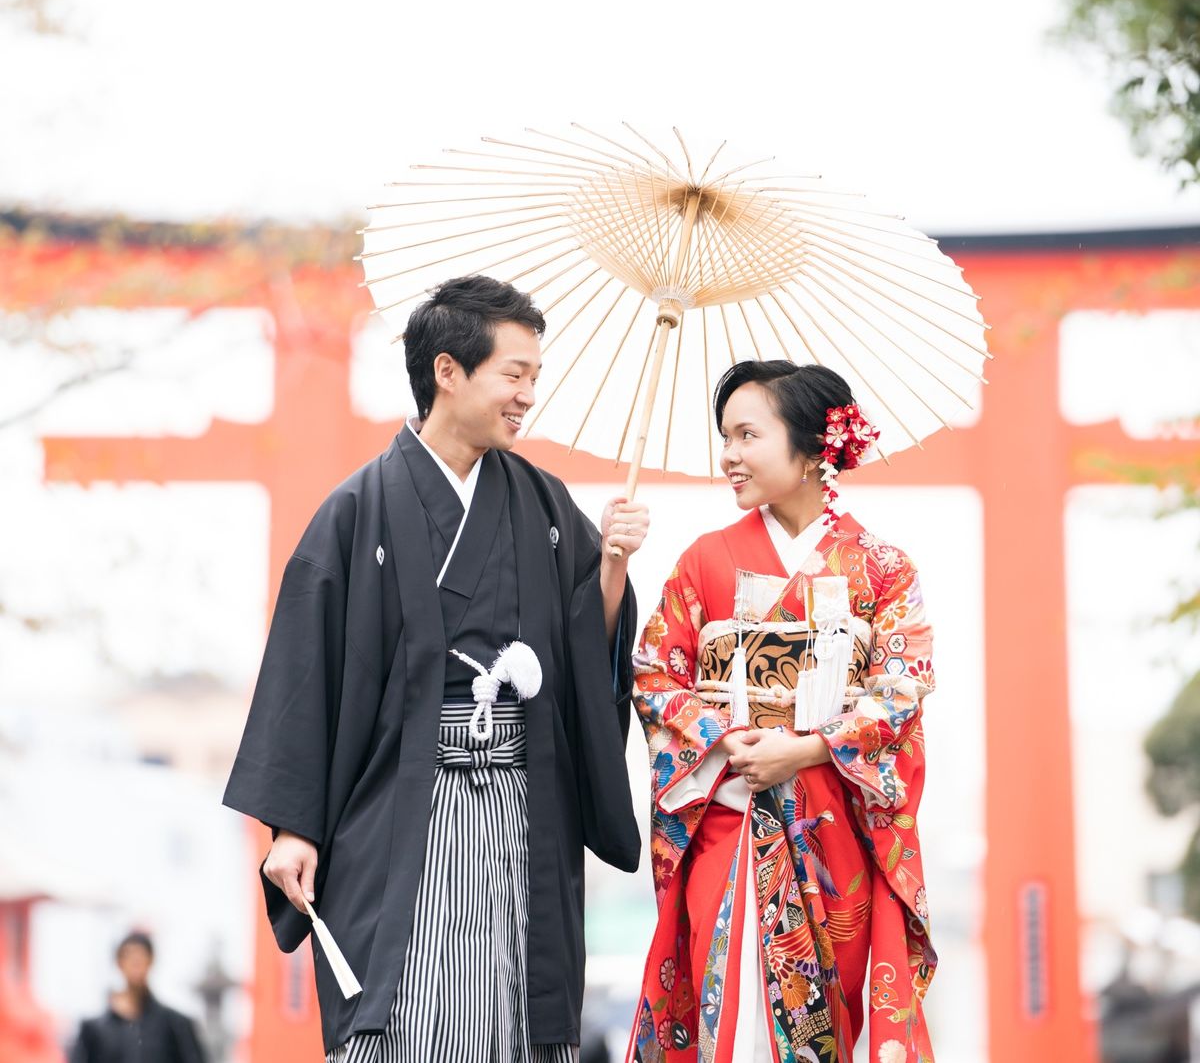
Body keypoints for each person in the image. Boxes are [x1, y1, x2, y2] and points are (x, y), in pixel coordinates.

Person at [223, 275, 649, 1062]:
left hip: (522, 804)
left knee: (516, 1011)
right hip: (400, 807)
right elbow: (303, 676)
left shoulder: (548, 508)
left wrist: (612, 571)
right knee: (405, 1011)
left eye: (535, 377)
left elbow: (588, 658)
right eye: (514, 374)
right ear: (447, 371)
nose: (528, 396)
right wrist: (292, 828)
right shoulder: (357, 510)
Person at [626, 360, 937, 1063]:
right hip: (730, 816)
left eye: (747, 435)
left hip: (832, 830)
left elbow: (901, 687)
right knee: (728, 1022)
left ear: (812, 447)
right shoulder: (704, 561)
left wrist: (807, 748)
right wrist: (726, 740)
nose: (728, 455)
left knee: (823, 1026)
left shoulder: (884, 569)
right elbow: (653, 675)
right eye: (725, 437)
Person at [70, 931, 206, 1063]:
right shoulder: (94, 1030)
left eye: (141, 956)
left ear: (151, 960)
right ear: (119, 963)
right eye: (129, 956)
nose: (136, 963)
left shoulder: (176, 1025)